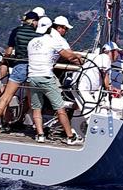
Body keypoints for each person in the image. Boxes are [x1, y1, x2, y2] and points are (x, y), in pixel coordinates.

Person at [0, 11, 41, 134]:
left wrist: (4, 62)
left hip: (19, 67)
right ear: (34, 21)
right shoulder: (38, 35)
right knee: (33, 101)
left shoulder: (16, 31)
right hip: (34, 68)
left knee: (5, 97)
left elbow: (8, 52)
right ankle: (39, 131)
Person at [26, 16, 84, 144]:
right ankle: (70, 137)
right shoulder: (53, 41)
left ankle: (40, 135)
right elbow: (68, 56)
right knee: (60, 108)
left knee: (36, 108)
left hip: (32, 77)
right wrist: (79, 56)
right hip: (46, 77)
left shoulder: (31, 42)